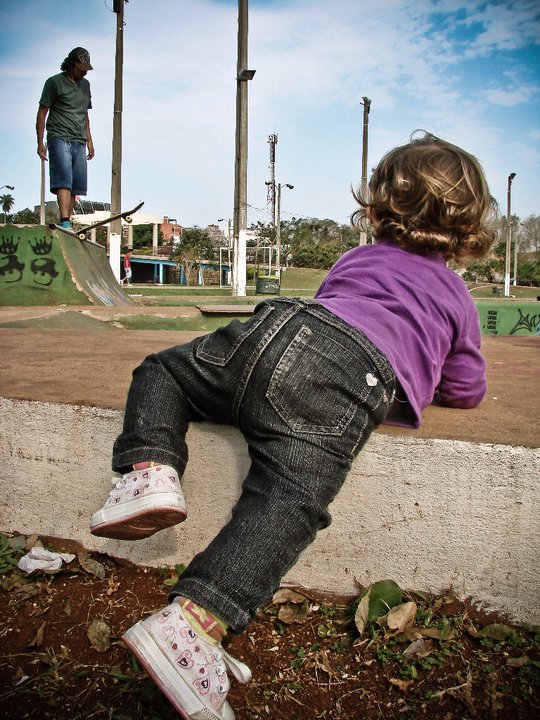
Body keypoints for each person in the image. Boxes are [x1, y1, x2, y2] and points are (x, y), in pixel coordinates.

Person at [90, 132, 497, 720]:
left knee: (165, 371)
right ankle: (190, 628)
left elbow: (328, 314)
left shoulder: (356, 258)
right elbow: (466, 390)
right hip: (347, 377)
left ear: (378, 208)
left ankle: (149, 471)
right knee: (285, 502)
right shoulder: (456, 296)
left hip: (277, 328)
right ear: (466, 229)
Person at [36, 47, 94, 230]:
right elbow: (42, 112)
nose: (84, 72)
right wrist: (39, 142)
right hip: (59, 136)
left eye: (86, 69)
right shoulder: (54, 83)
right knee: (63, 179)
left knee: (77, 185)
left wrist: (90, 140)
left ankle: (67, 221)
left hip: (79, 139)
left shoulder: (86, 86)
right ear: (70, 65)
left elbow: (85, 114)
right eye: (81, 69)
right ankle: (65, 220)